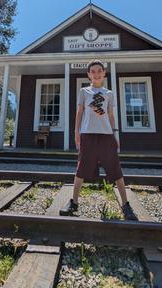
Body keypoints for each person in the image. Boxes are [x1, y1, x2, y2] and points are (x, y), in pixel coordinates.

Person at [59, 59, 136, 220]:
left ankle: (126, 205)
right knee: (81, 169)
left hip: (106, 135)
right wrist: (76, 132)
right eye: (93, 71)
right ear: (88, 75)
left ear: (104, 73)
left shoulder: (109, 94)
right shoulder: (84, 92)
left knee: (116, 169)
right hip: (88, 135)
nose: (96, 74)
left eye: (99, 71)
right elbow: (79, 113)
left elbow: (110, 115)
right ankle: (74, 202)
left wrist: (115, 134)